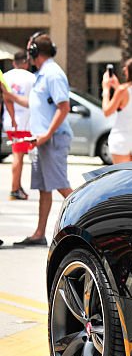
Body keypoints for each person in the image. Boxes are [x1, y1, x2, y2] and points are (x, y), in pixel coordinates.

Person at [15, 33, 72, 246]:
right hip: (41, 141)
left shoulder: (53, 74)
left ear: (34, 52)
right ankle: (39, 233)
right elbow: (33, 104)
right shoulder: (42, 74)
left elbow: (63, 107)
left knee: (61, 186)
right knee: (44, 188)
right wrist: (9, 96)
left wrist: (47, 134)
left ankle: (88, 221)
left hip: (53, 139)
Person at [101, 56, 132, 163]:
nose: (124, 70)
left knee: (122, 176)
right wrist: (117, 86)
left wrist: (106, 89)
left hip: (122, 138)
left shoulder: (122, 90)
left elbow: (107, 111)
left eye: (126, 67)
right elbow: (131, 102)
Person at [2, 49, 35, 200]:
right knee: (18, 156)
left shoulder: (6, 76)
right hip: (24, 123)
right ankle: (14, 189)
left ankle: (17, 186)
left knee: (18, 154)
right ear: (26, 63)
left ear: (14, 62)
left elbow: (5, 99)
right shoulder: (32, 78)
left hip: (10, 121)